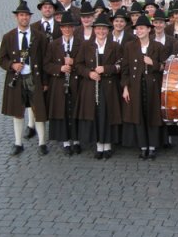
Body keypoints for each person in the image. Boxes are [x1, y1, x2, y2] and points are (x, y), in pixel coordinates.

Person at [0, 0, 49, 156]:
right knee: (18, 112)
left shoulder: (39, 37)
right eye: (21, 15)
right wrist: (12, 65)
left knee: (39, 111)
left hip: (34, 78)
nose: (24, 18)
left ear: (30, 17)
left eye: (26, 15)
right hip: (17, 79)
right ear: (16, 17)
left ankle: (42, 143)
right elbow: (2, 59)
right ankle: (18, 143)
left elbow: (46, 59)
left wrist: (45, 81)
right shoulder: (8, 37)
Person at [75, 13, 123, 159]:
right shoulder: (86, 45)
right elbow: (78, 65)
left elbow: (121, 65)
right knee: (95, 115)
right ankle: (98, 145)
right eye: (98, 29)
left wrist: (107, 69)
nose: (101, 32)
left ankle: (107, 145)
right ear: (94, 30)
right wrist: (89, 73)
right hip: (91, 86)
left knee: (107, 115)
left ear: (108, 31)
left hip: (108, 87)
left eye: (104, 29)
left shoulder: (115, 46)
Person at [121, 15, 164, 160]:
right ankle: (143, 146)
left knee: (152, 115)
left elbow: (165, 67)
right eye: (137, 28)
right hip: (135, 86)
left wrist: (153, 63)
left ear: (149, 30)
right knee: (138, 115)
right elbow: (125, 68)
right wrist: (125, 87)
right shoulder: (130, 46)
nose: (139, 31)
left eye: (142, 28)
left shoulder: (158, 46)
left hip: (152, 87)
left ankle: (152, 147)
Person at [44, 11, 81, 155]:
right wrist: (60, 68)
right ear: (60, 29)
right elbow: (47, 65)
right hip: (59, 84)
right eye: (64, 27)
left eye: (70, 27)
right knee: (63, 112)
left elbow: (86, 63)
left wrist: (74, 63)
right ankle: (66, 142)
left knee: (76, 110)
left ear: (73, 28)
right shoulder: (54, 45)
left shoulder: (80, 43)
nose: (67, 29)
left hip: (76, 84)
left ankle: (76, 140)